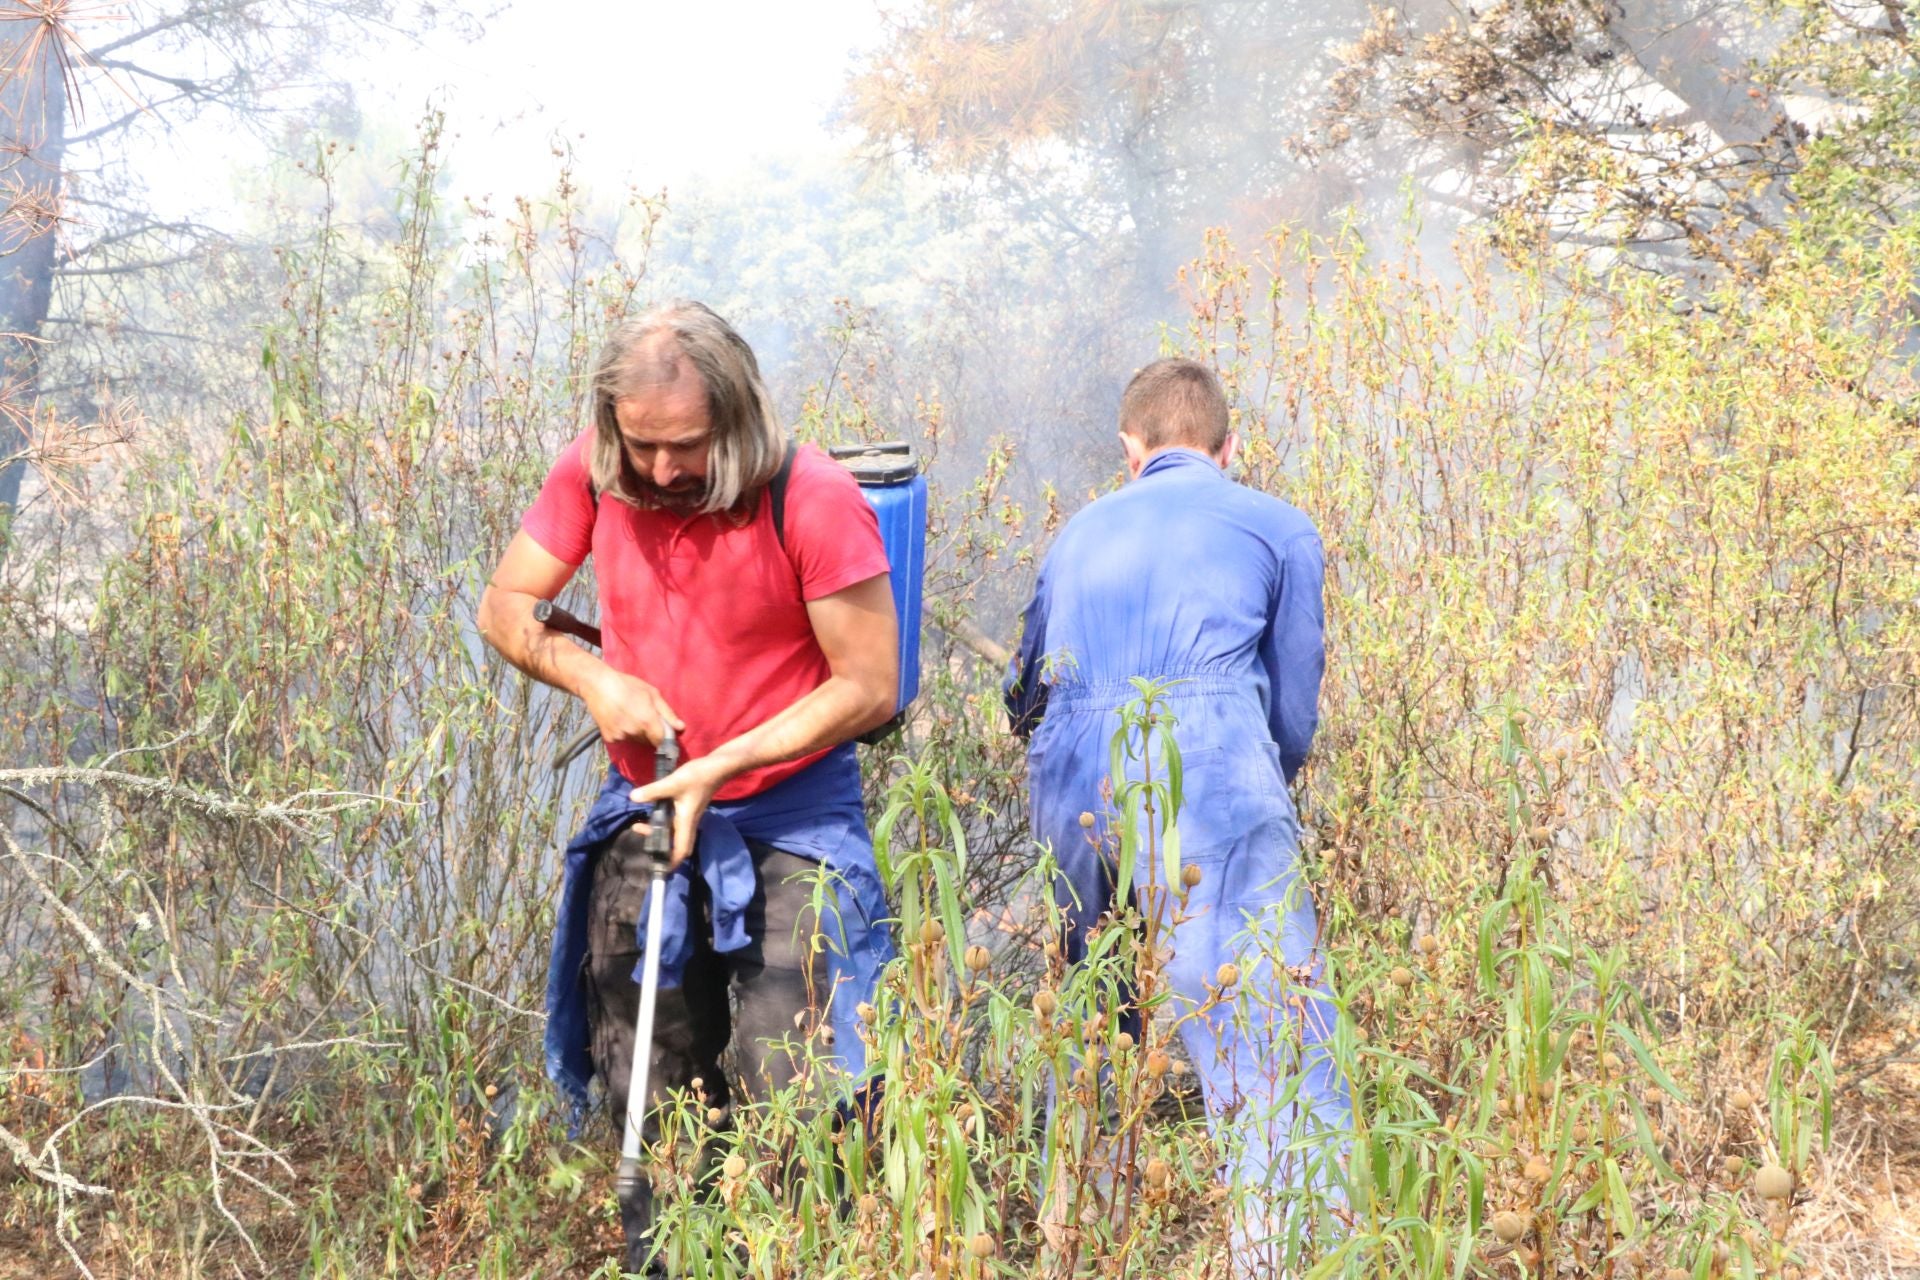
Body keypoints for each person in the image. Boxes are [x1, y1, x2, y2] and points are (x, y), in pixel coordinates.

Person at [476, 301, 899, 1276]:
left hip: (792, 820)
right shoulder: (596, 467)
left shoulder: (813, 494)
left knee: (798, 1085)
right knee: (651, 1084)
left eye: (690, 445)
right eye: (644, 444)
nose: (663, 470)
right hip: (652, 809)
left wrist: (722, 763)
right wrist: (597, 679)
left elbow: (871, 683)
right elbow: (505, 606)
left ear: (740, 415)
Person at [1004, 357, 1350, 1274]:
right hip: (1211, 774)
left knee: (1091, 1029)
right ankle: (1288, 1258)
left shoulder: (1076, 535)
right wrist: (1263, 791)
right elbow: (1293, 711)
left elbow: (1024, 692)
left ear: (1131, 450)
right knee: (1264, 1038)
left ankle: (1078, 1249)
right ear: (1229, 447)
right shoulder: (1278, 527)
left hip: (1074, 792)